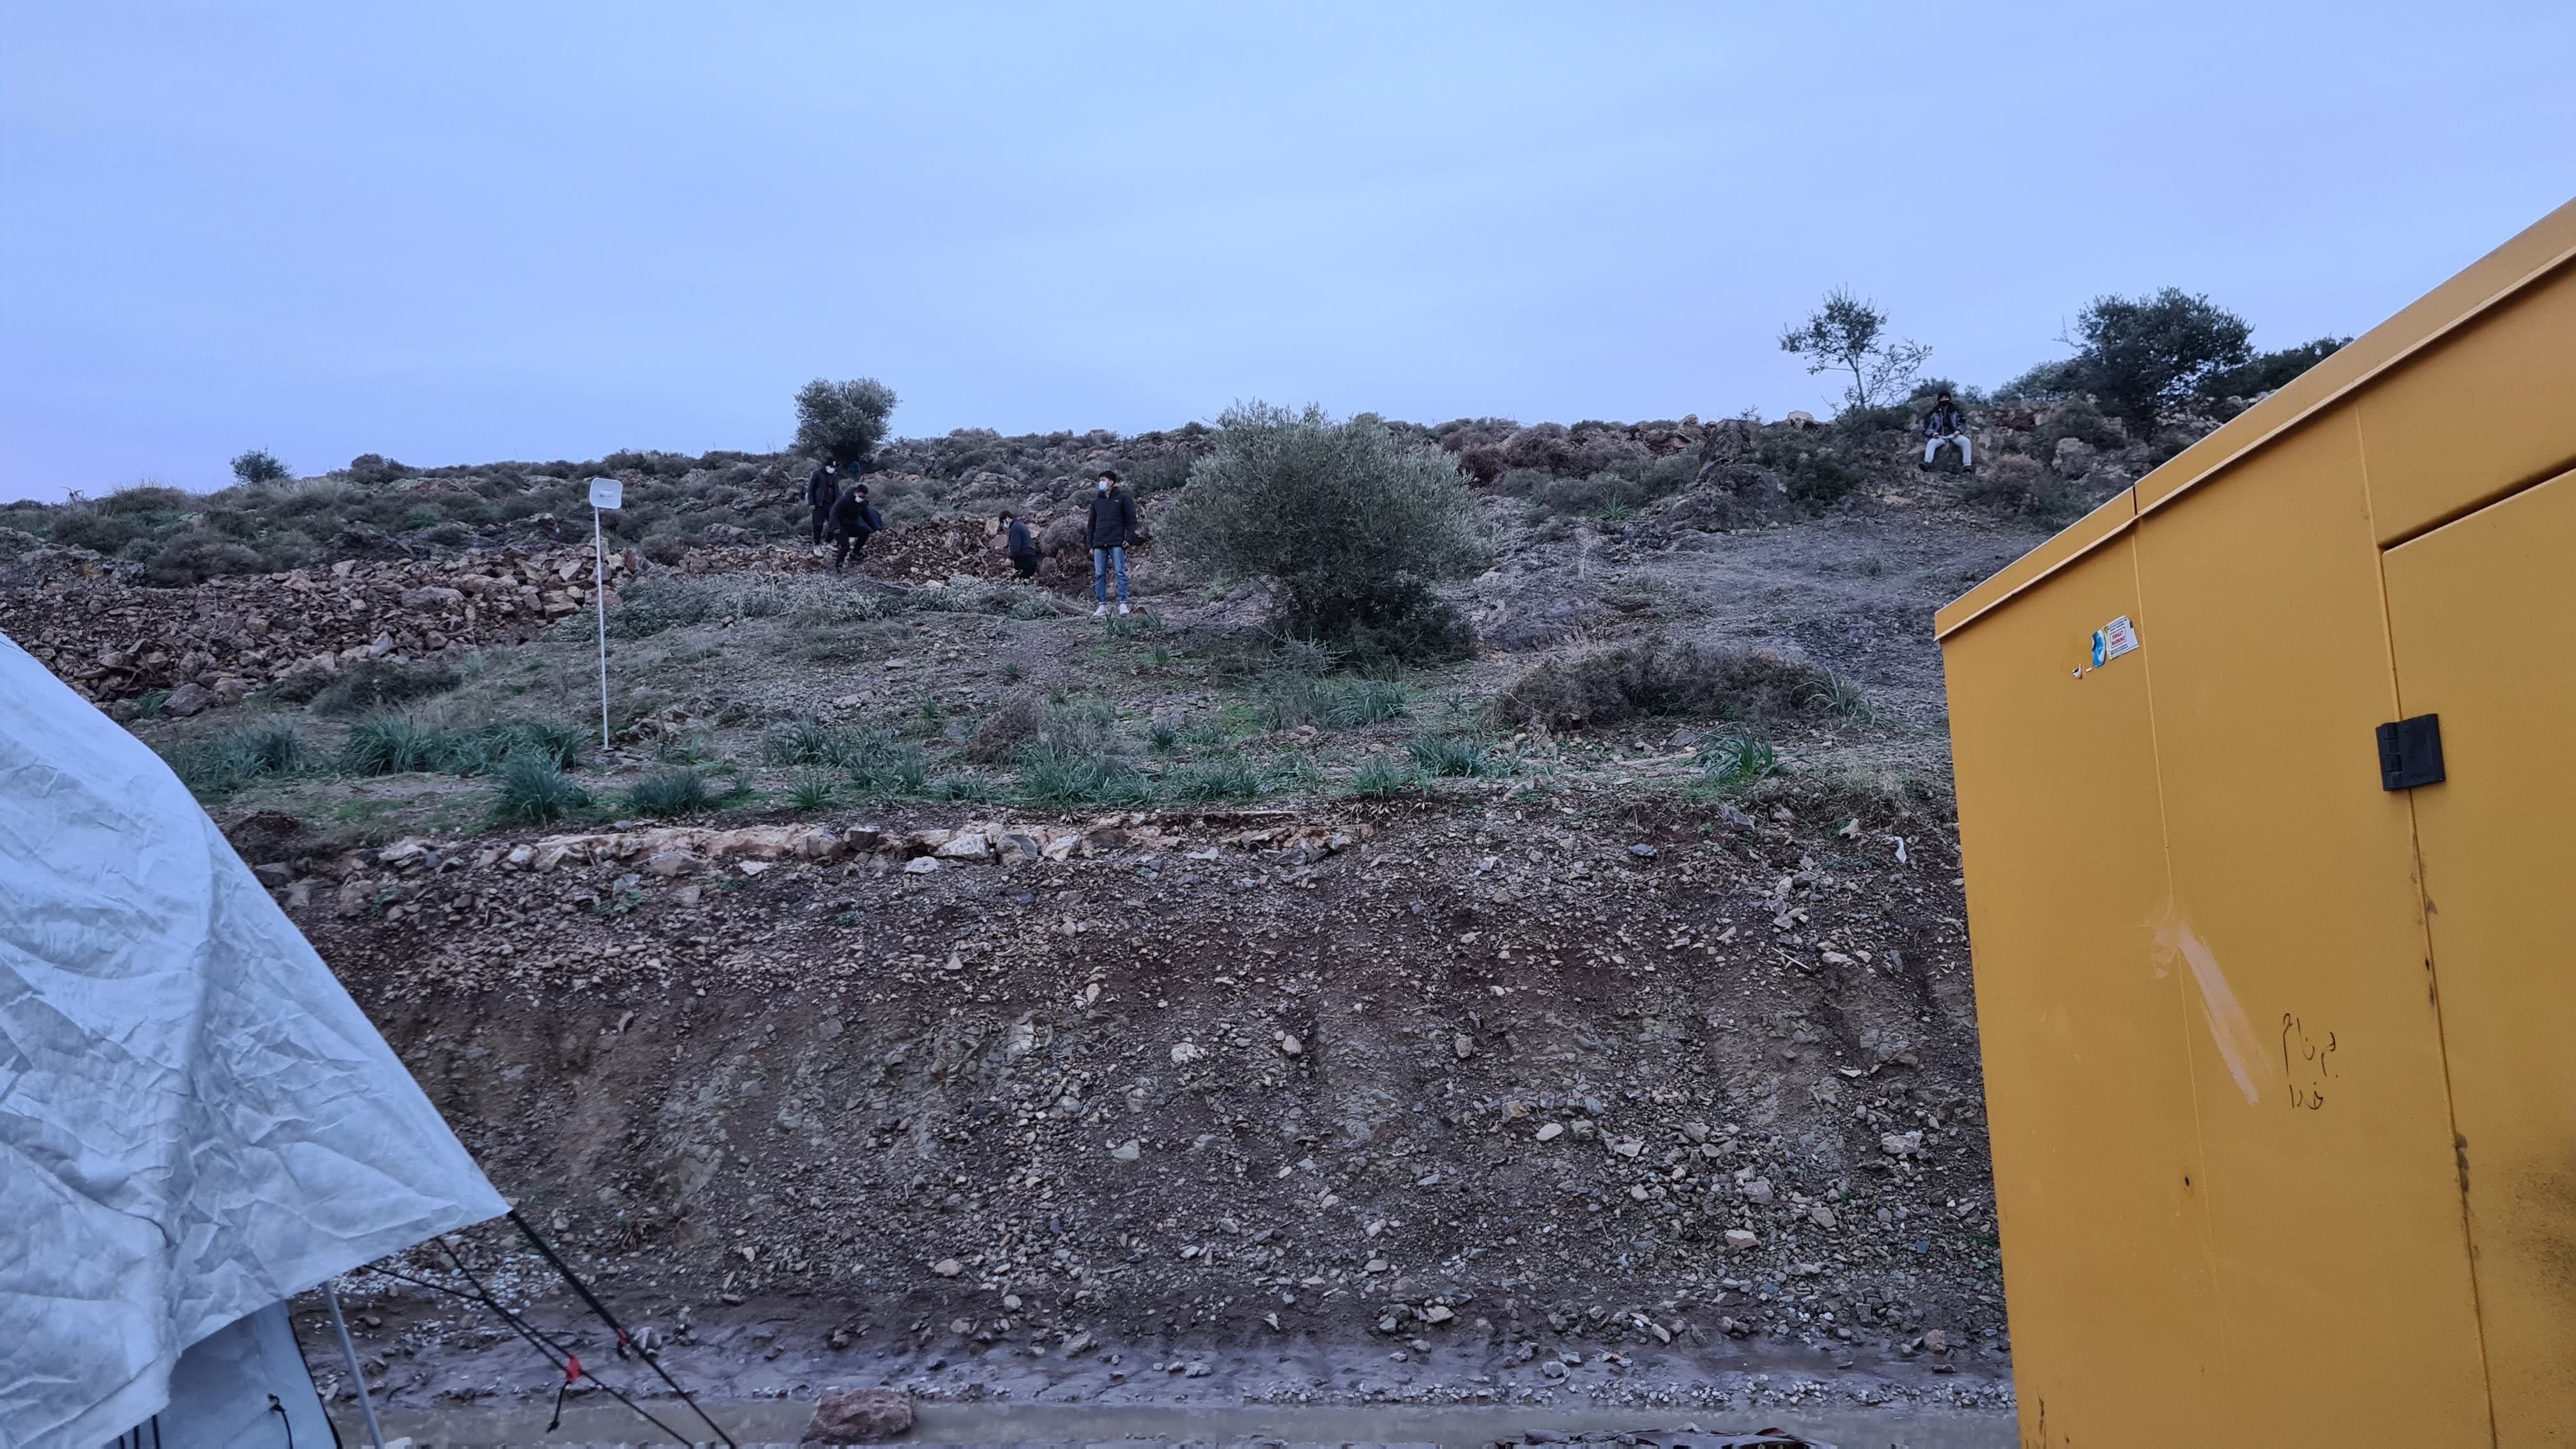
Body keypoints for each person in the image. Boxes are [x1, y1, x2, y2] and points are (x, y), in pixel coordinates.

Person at [1085, 470, 1138, 617]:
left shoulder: (1123, 499)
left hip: (1117, 542)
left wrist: (1129, 538)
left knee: (1120, 572)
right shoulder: (1096, 502)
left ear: (1111, 482)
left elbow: (1131, 520)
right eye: (1100, 480)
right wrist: (1090, 545)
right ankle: (1102, 605)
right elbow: (1091, 525)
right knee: (1099, 574)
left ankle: (1123, 603)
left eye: (1103, 480)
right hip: (1099, 543)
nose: (1100, 483)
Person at [829, 482, 883, 571]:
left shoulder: (862, 503)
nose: (861, 499)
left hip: (850, 525)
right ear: (856, 493)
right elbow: (834, 513)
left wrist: (877, 528)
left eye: (863, 497)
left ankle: (855, 553)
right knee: (845, 546)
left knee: (865, 532)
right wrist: (836, 527)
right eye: (860, 496)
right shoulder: (845, 499)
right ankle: (838, 566)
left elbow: (867, 517)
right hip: (839, 527)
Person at [1920, 394, 1974, 471]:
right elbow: (1928, 427)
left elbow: (1962, 423)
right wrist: (1933, 433)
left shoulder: (1956, 411)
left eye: (1946, 398)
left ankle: (1967, 465)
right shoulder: (1934, 413)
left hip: (1954, 435)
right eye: (1942, 398)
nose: (1944, 400)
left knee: (1966, 441)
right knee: (1931, 443)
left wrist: (1959, 430)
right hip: (1940, 436)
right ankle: (1928, 463)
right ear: (1939, 400)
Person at [804, 460, 840, 546]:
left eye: (834, 467)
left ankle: (828, 542)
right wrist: (811, 503)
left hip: (831, 505)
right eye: (831, 467)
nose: (832, 469)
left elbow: (837, 490)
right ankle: (816, 543)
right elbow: (810, 489)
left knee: (834, 524)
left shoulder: (834, 475)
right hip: (819, 504)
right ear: (826, 466)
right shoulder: (817, 474)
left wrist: (838, 503)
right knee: (818, 525)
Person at [1000, 510, 1039, 579]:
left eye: (1003, 522)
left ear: (1007, 518)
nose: (1004, 525)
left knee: (1018, 581)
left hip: (1024, 559)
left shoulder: (1015, 528)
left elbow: (1015, 546)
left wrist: (1009, 558)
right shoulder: (1021, 526)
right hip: (1032, 559)